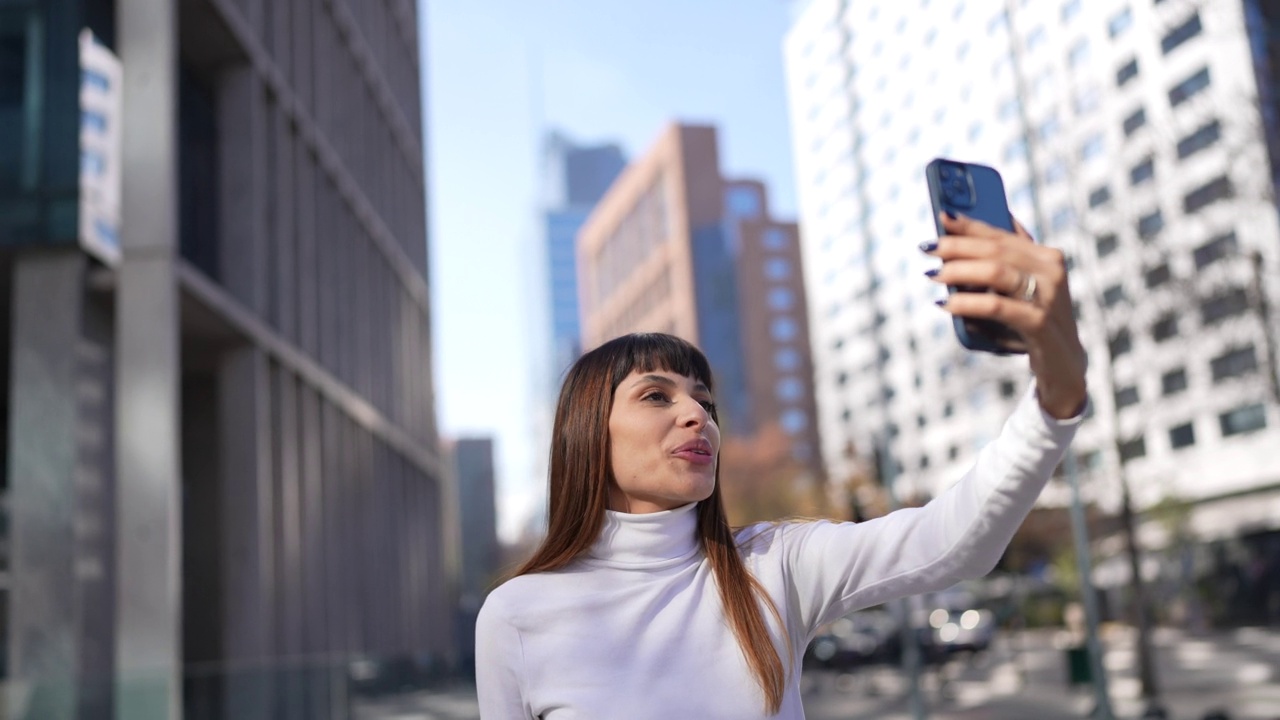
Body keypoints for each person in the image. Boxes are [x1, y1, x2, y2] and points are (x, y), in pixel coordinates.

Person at [475, 213, 1088, 718]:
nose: (697, 415)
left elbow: (952, 541)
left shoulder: (772, 565)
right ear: (587, 435)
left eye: (705, 401)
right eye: (657, 395)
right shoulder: (517, 616)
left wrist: (1057, 393)